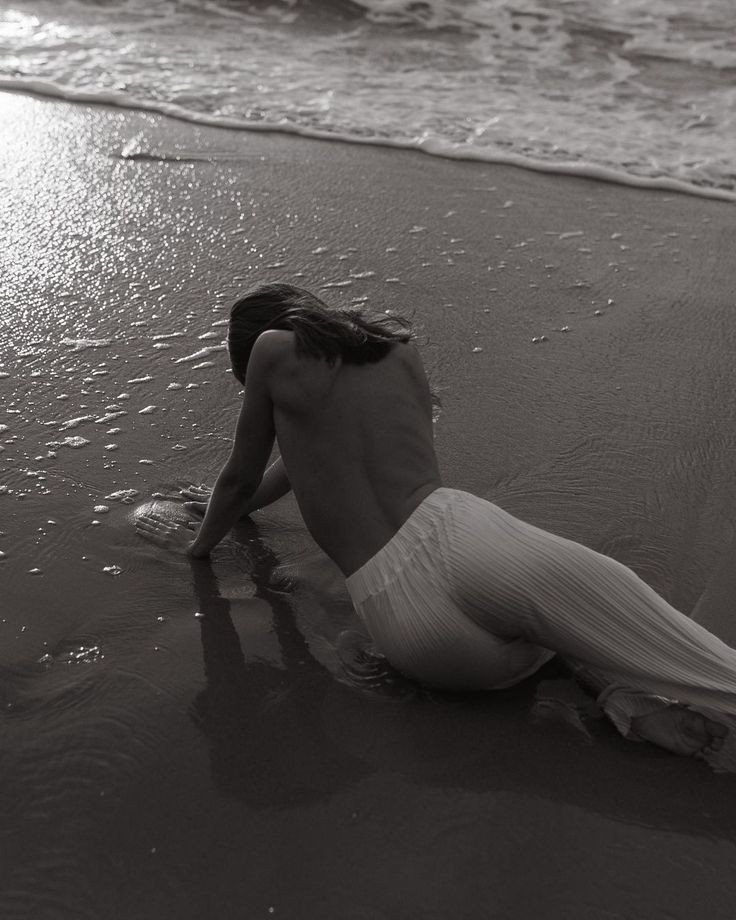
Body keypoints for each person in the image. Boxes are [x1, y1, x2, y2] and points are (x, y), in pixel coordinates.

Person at [136, 282, 735, 760]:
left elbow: (244, 477)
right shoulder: (397, 347)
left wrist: (198, 547)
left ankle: (628, 703)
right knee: (657, 646)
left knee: (537, 637)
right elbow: (285, 469)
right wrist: (228, 506)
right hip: (465, 540)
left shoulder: (270, 351)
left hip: (418, 634)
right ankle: (626, 688)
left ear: (256, 345)